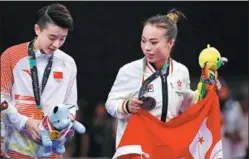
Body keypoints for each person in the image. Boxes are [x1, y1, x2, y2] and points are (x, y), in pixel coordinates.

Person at [105, 8, 221, 149]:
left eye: (154, 43)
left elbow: (187, 104)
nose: (147, 47)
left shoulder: (181, 72)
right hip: (137, 148)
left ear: (170, 43)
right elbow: (110, 104)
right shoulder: (129, 71)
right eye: (143, 41)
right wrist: (126, 106)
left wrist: (208, 90)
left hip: (167, 148)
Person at [0, 3, 78, 159]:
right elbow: (2, 98)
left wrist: (64, 126)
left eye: (62, 39)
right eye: (52, 37)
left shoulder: (68, 63)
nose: (56, 44)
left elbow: (71, 105)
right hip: (14, 148)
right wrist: (24, 123)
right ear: (37, 29)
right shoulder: (11, 56)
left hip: (51, 150)